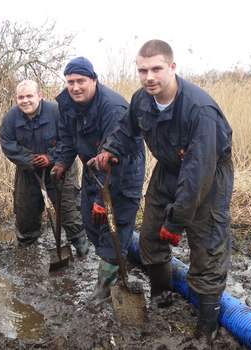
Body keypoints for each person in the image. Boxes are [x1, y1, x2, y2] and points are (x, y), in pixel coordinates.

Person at [88, 39, 234, 345]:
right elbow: (127, 130)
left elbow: (197, 175)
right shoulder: (142, 99)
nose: (149, 76)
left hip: (208, 179)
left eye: (156, 69)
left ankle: (205, 331)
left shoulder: (199, 110)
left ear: (172, 68)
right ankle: (162, 294)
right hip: (168, 171)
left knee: (207, 251)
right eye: (143, 70)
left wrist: (177, 221)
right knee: (152, 236)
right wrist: (111, 150)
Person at [51, 57, 146, 299]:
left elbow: (114, 154)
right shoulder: (67, 103)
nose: (75, 87)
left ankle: (104, 290)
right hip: (93, 169)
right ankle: (114, 259)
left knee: (115, 226)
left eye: (81, 81)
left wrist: (104, 201)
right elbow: (66, 137)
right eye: (70, 81)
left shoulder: (112, 107)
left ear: (94, 80)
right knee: (91, 221)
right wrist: (62, 162)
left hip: (122, 170)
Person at [0, 80, 88, 256]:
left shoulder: (56, 111)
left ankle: (82, 250)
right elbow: (7, 144)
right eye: (21, 97)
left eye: (30, 96)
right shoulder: (11, 117)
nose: (25, 101)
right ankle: (27, 255)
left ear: (39, 96)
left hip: (61, 168)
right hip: (28, 170)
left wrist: (51, 157)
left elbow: (70, 139)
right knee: (25, 212)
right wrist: (31, 160)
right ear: (16, 99)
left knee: (69, 211)